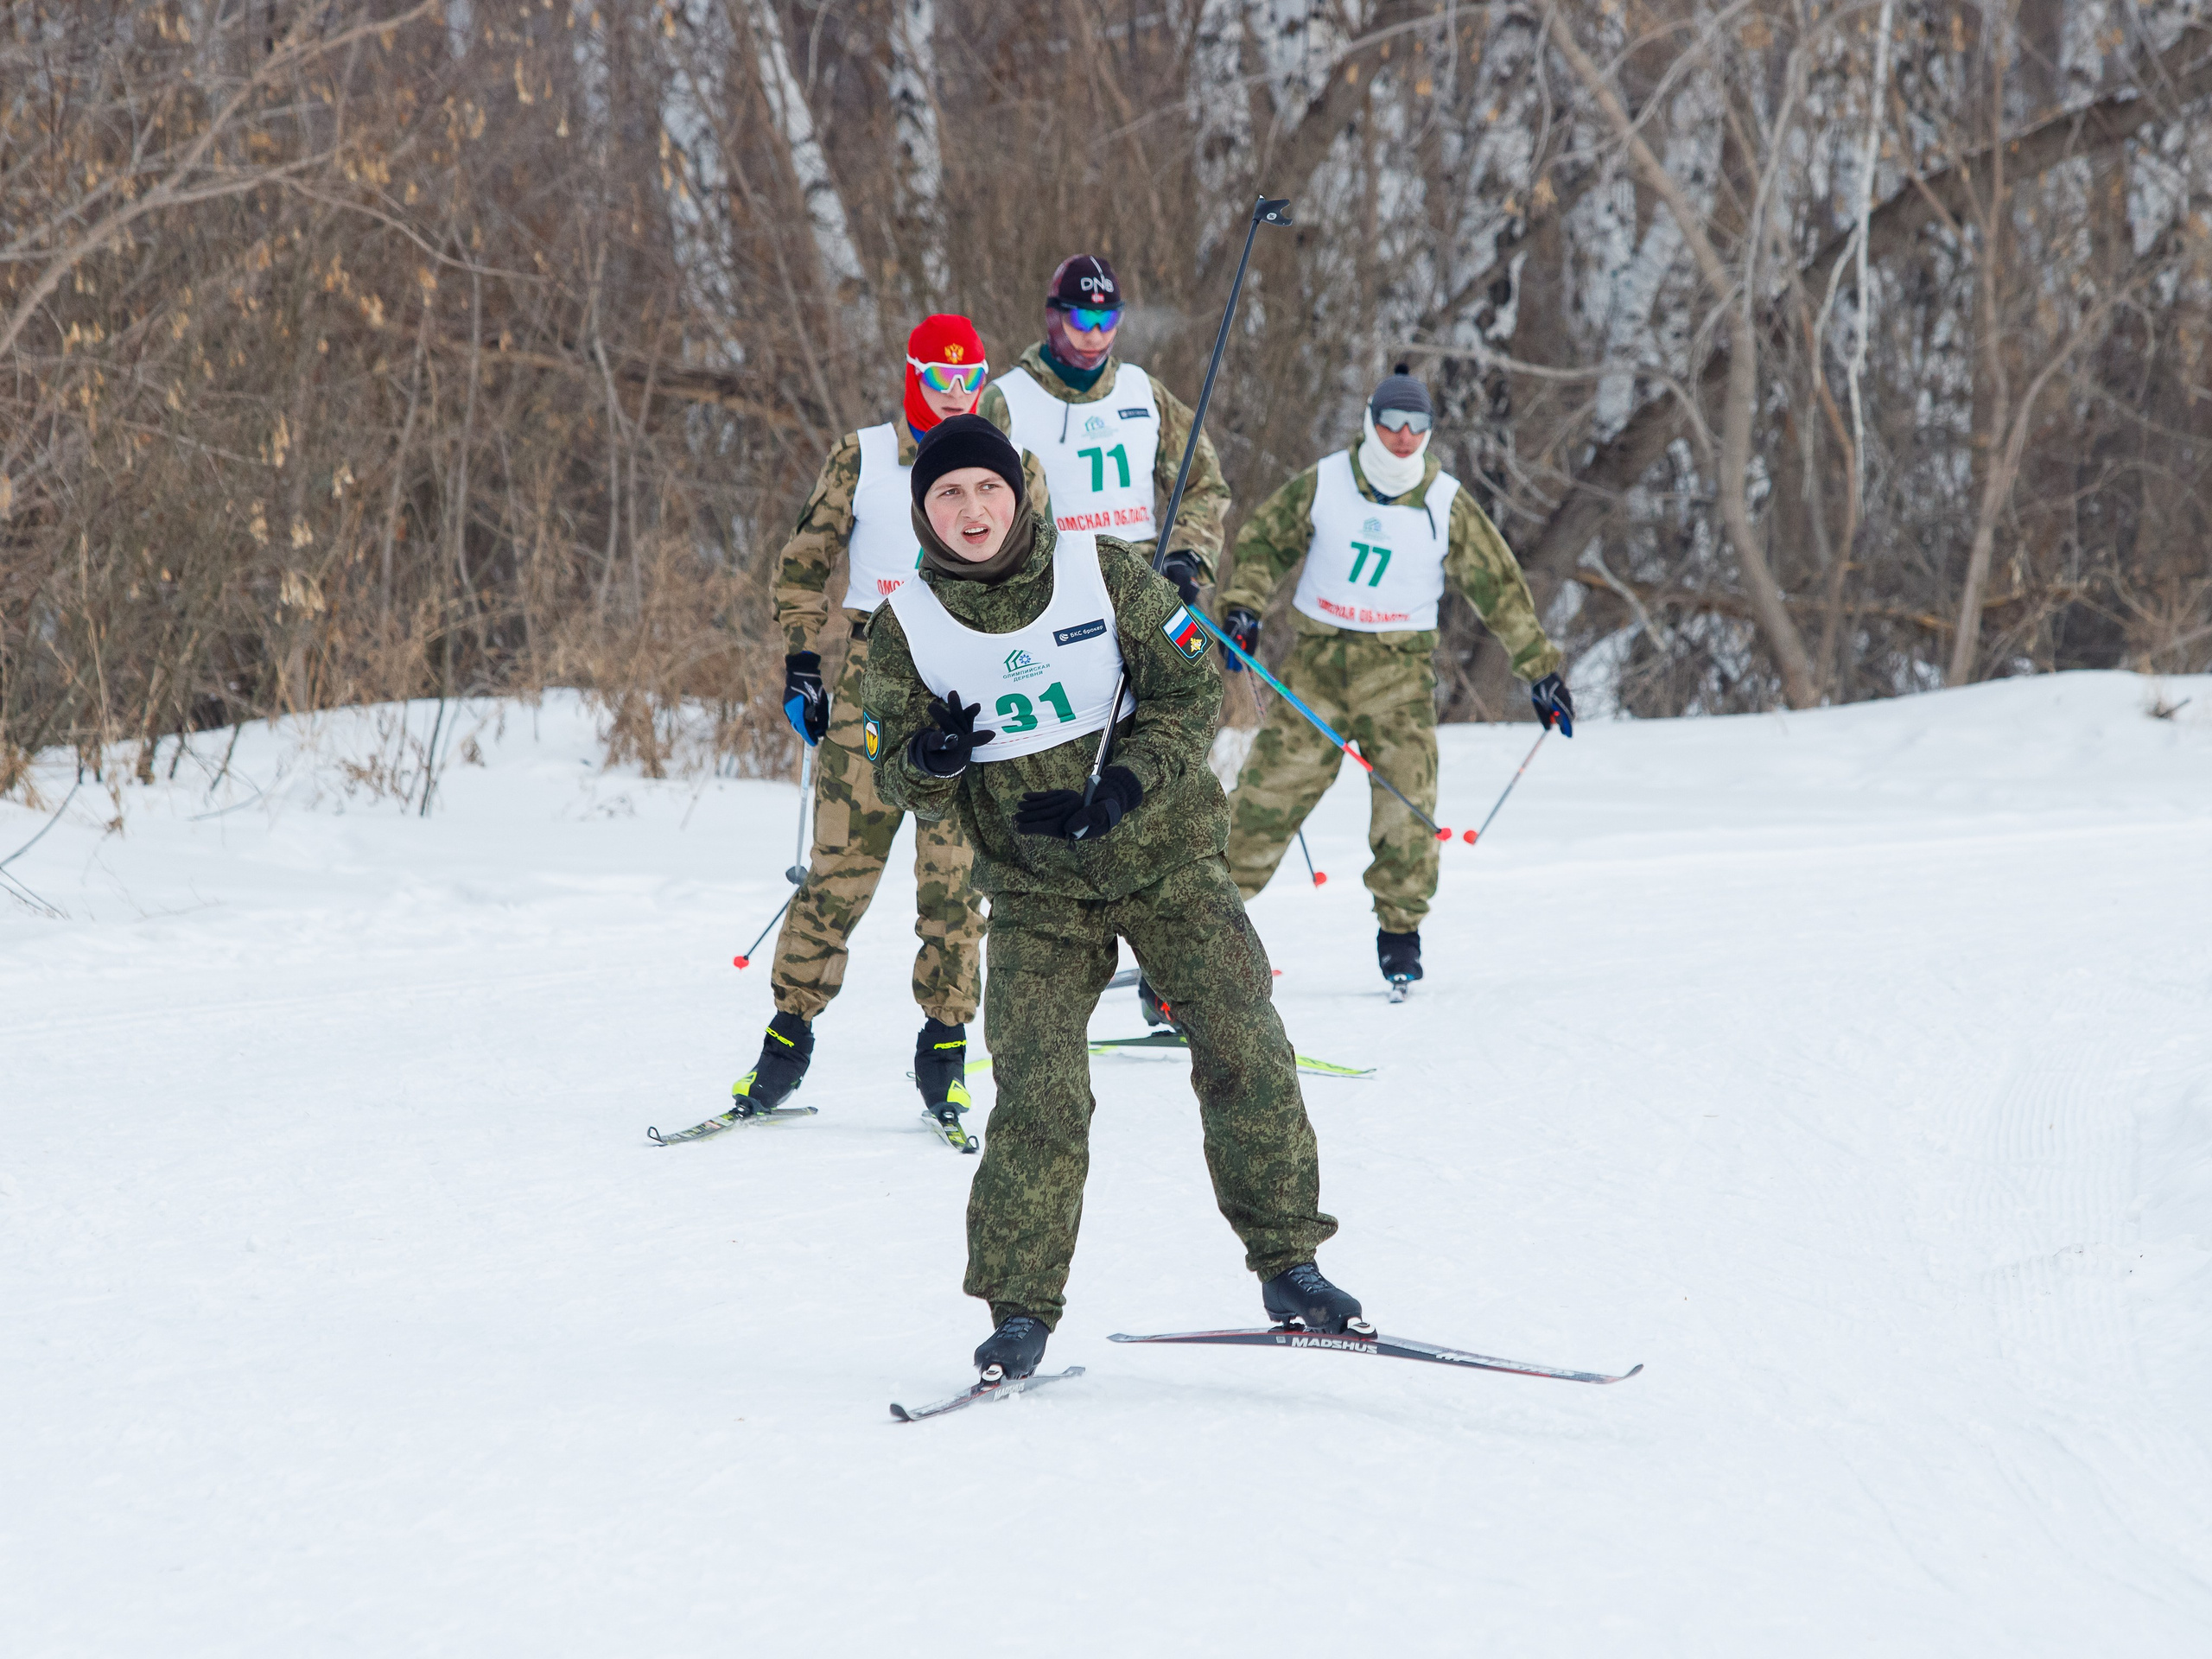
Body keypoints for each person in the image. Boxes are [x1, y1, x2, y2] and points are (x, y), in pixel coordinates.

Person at [861, 415, 1359, 1382]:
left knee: (1242, 1041)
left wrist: (1124, 784)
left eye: (988, 490)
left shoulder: (1104, 570)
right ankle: (1019, 1313)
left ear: (1019, 494)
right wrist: (928, 759)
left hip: (1165, 858)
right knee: (1040, 1094)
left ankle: (1291, 1264)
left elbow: (1187, 692)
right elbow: (890, 768)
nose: (972, 510)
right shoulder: (904, 628)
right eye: (948, 494)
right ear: (923, 511)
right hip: (1035, 892)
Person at [734, 315, 1048, 1140]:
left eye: (970, 378)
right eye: (940, 380)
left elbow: (1045, 566)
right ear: (913, 376)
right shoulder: (866, 455)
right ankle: (784, 1042)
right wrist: (803, 658)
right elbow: (803, 562)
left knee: (954, 885)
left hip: (965, 683)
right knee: (841, 875)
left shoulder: (1009, 465)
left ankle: (944, 1051)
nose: (957, 395)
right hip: (876, 675)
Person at [1214, 365, 1574, 992]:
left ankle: (1400, 934)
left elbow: (1501, 590)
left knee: (1409, 802)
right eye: (1391, 425)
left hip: (1401, 675)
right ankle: (1200, 932)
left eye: (1417, 427)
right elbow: (1263, 543)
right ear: (1370, 424)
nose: (1404, 438)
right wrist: (1243, 604)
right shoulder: (1325, 482)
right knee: (1266, 801)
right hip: (1318, 669)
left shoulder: (1445, 501)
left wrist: (1540, 671)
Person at [978, 252, 1230, 611]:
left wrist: (1187, 554)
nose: (1095, 334)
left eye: (1108, 319)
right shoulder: (1004, 401)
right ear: (1054, 315)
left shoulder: (1144, 391)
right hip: (1056, 588)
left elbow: (1205, 482)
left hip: (1145, 579)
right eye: (1082, 319)